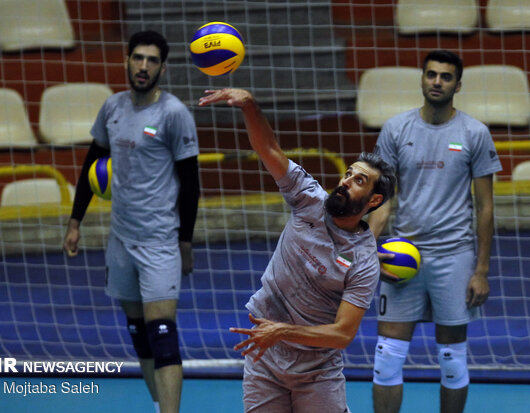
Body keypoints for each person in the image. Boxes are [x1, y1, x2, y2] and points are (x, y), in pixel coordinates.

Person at [199, 88, 396, 413]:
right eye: (348, 174)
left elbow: (343, 334)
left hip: (315, 368)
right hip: (264, 352)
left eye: (359, 180)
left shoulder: (363, 260)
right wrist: (249, 105)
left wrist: (284, 331)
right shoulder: (308, 199)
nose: (346, 181)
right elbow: (269, 149)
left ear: (374, 201)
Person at [63, 30, 200, 413]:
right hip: (120, 240)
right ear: (126, 61)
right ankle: (159, 406)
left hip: (160, 241)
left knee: (162, 333)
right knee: (139, 333)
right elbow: (92, 163)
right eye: (138, 58)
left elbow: (191, 185)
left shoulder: (173, 114)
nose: (143, 67)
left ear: (163, 68)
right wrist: (75, 222)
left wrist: (184, 243)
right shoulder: (112, 108)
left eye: (152, 60)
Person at [368, 50, 502, 413]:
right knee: (387, 357)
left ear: (458, 85)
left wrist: (482, 270)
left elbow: (486, 206)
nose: (437, 82)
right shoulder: (396, 129)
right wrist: (368, 246)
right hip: (401, 255)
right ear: (422, 79)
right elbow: (384, 199)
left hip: (455, 257)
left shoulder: (474, 133)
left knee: (453, 358)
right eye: (431, 75)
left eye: (445, 77)